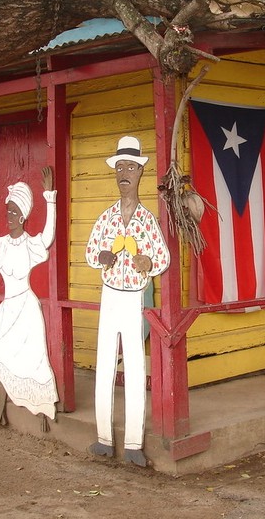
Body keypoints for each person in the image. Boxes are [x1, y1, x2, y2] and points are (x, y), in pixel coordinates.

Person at [85, 136, 170, 467]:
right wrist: (102, 255)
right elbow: (91, 251)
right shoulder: (106, 218)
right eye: (119, 167)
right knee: (105, 362)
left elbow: (162, 257)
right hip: (110, 295)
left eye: (130, 167)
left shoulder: (147, 220)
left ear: (140, 173)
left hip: (135, 296)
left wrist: (148, 262)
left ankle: (134, 443)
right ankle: (103, 438)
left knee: (135, 365)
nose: (124, 173)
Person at [0, 167, 59, 421]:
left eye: (14, 212)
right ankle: (1, 408)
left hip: (27, 308)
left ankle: (41, 409)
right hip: (8, 308)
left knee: (34, 357)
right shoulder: (0, 244)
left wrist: (49, 197)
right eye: (7, 211)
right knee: (4, 356)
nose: (9, 216)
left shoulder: (30, 243)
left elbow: (48, 236)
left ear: (23, 217)